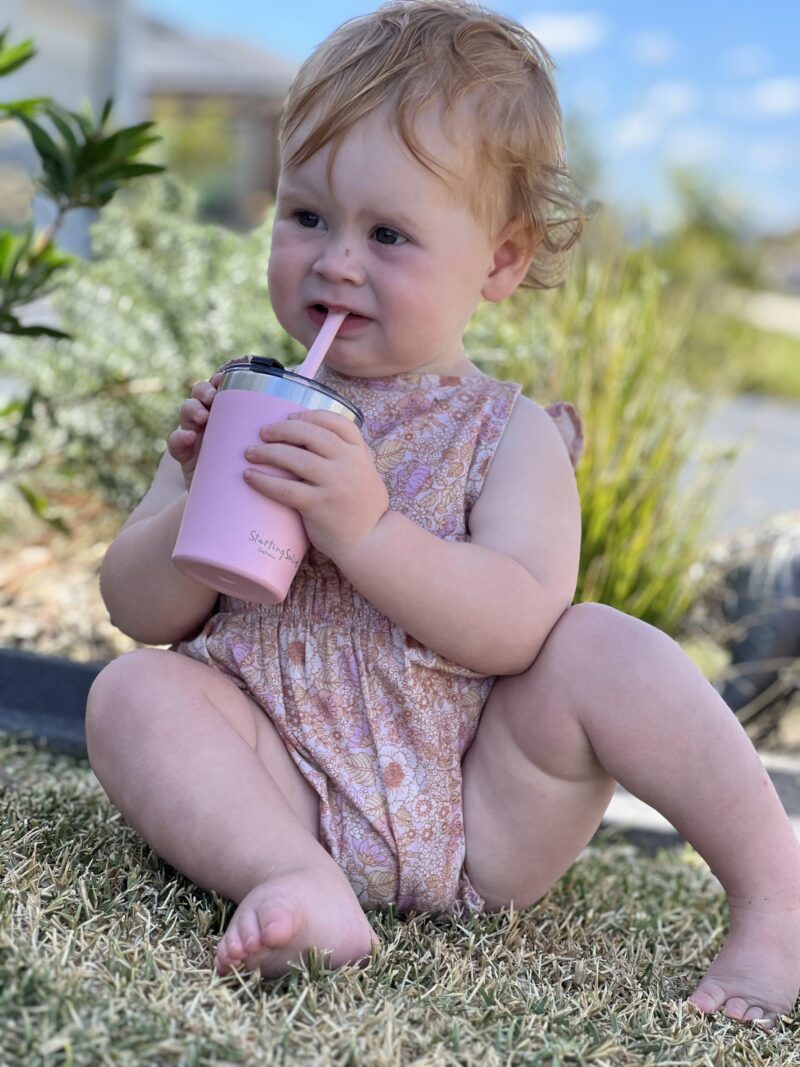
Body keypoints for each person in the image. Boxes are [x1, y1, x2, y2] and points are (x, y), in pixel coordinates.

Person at [85, 0, 800, 1028]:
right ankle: (296, 880)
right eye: (306, 217)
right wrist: (197, 496)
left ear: (500, 262)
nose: (335, 260)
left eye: (387, 233)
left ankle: (776, 892)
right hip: (272, 781)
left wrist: (365, 530)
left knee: (600, 645)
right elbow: (135, 605)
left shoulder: (508, 434)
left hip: (478, 812)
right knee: (131, 693)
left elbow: (517, 621)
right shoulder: (249, 402)